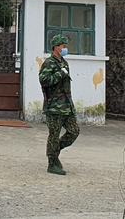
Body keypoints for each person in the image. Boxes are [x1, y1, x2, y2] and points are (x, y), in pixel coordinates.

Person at [39, 34, 79, 175]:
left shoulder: (63, 63)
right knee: (54, 135)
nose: (65, 49)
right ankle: (52, 163)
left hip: (66, 106)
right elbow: (44, 80)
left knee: (74, 131)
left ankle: (55, 152)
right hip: (54, 106)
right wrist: (59, 75)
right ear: (56, 47)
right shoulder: (49, 63)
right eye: (63, 46)